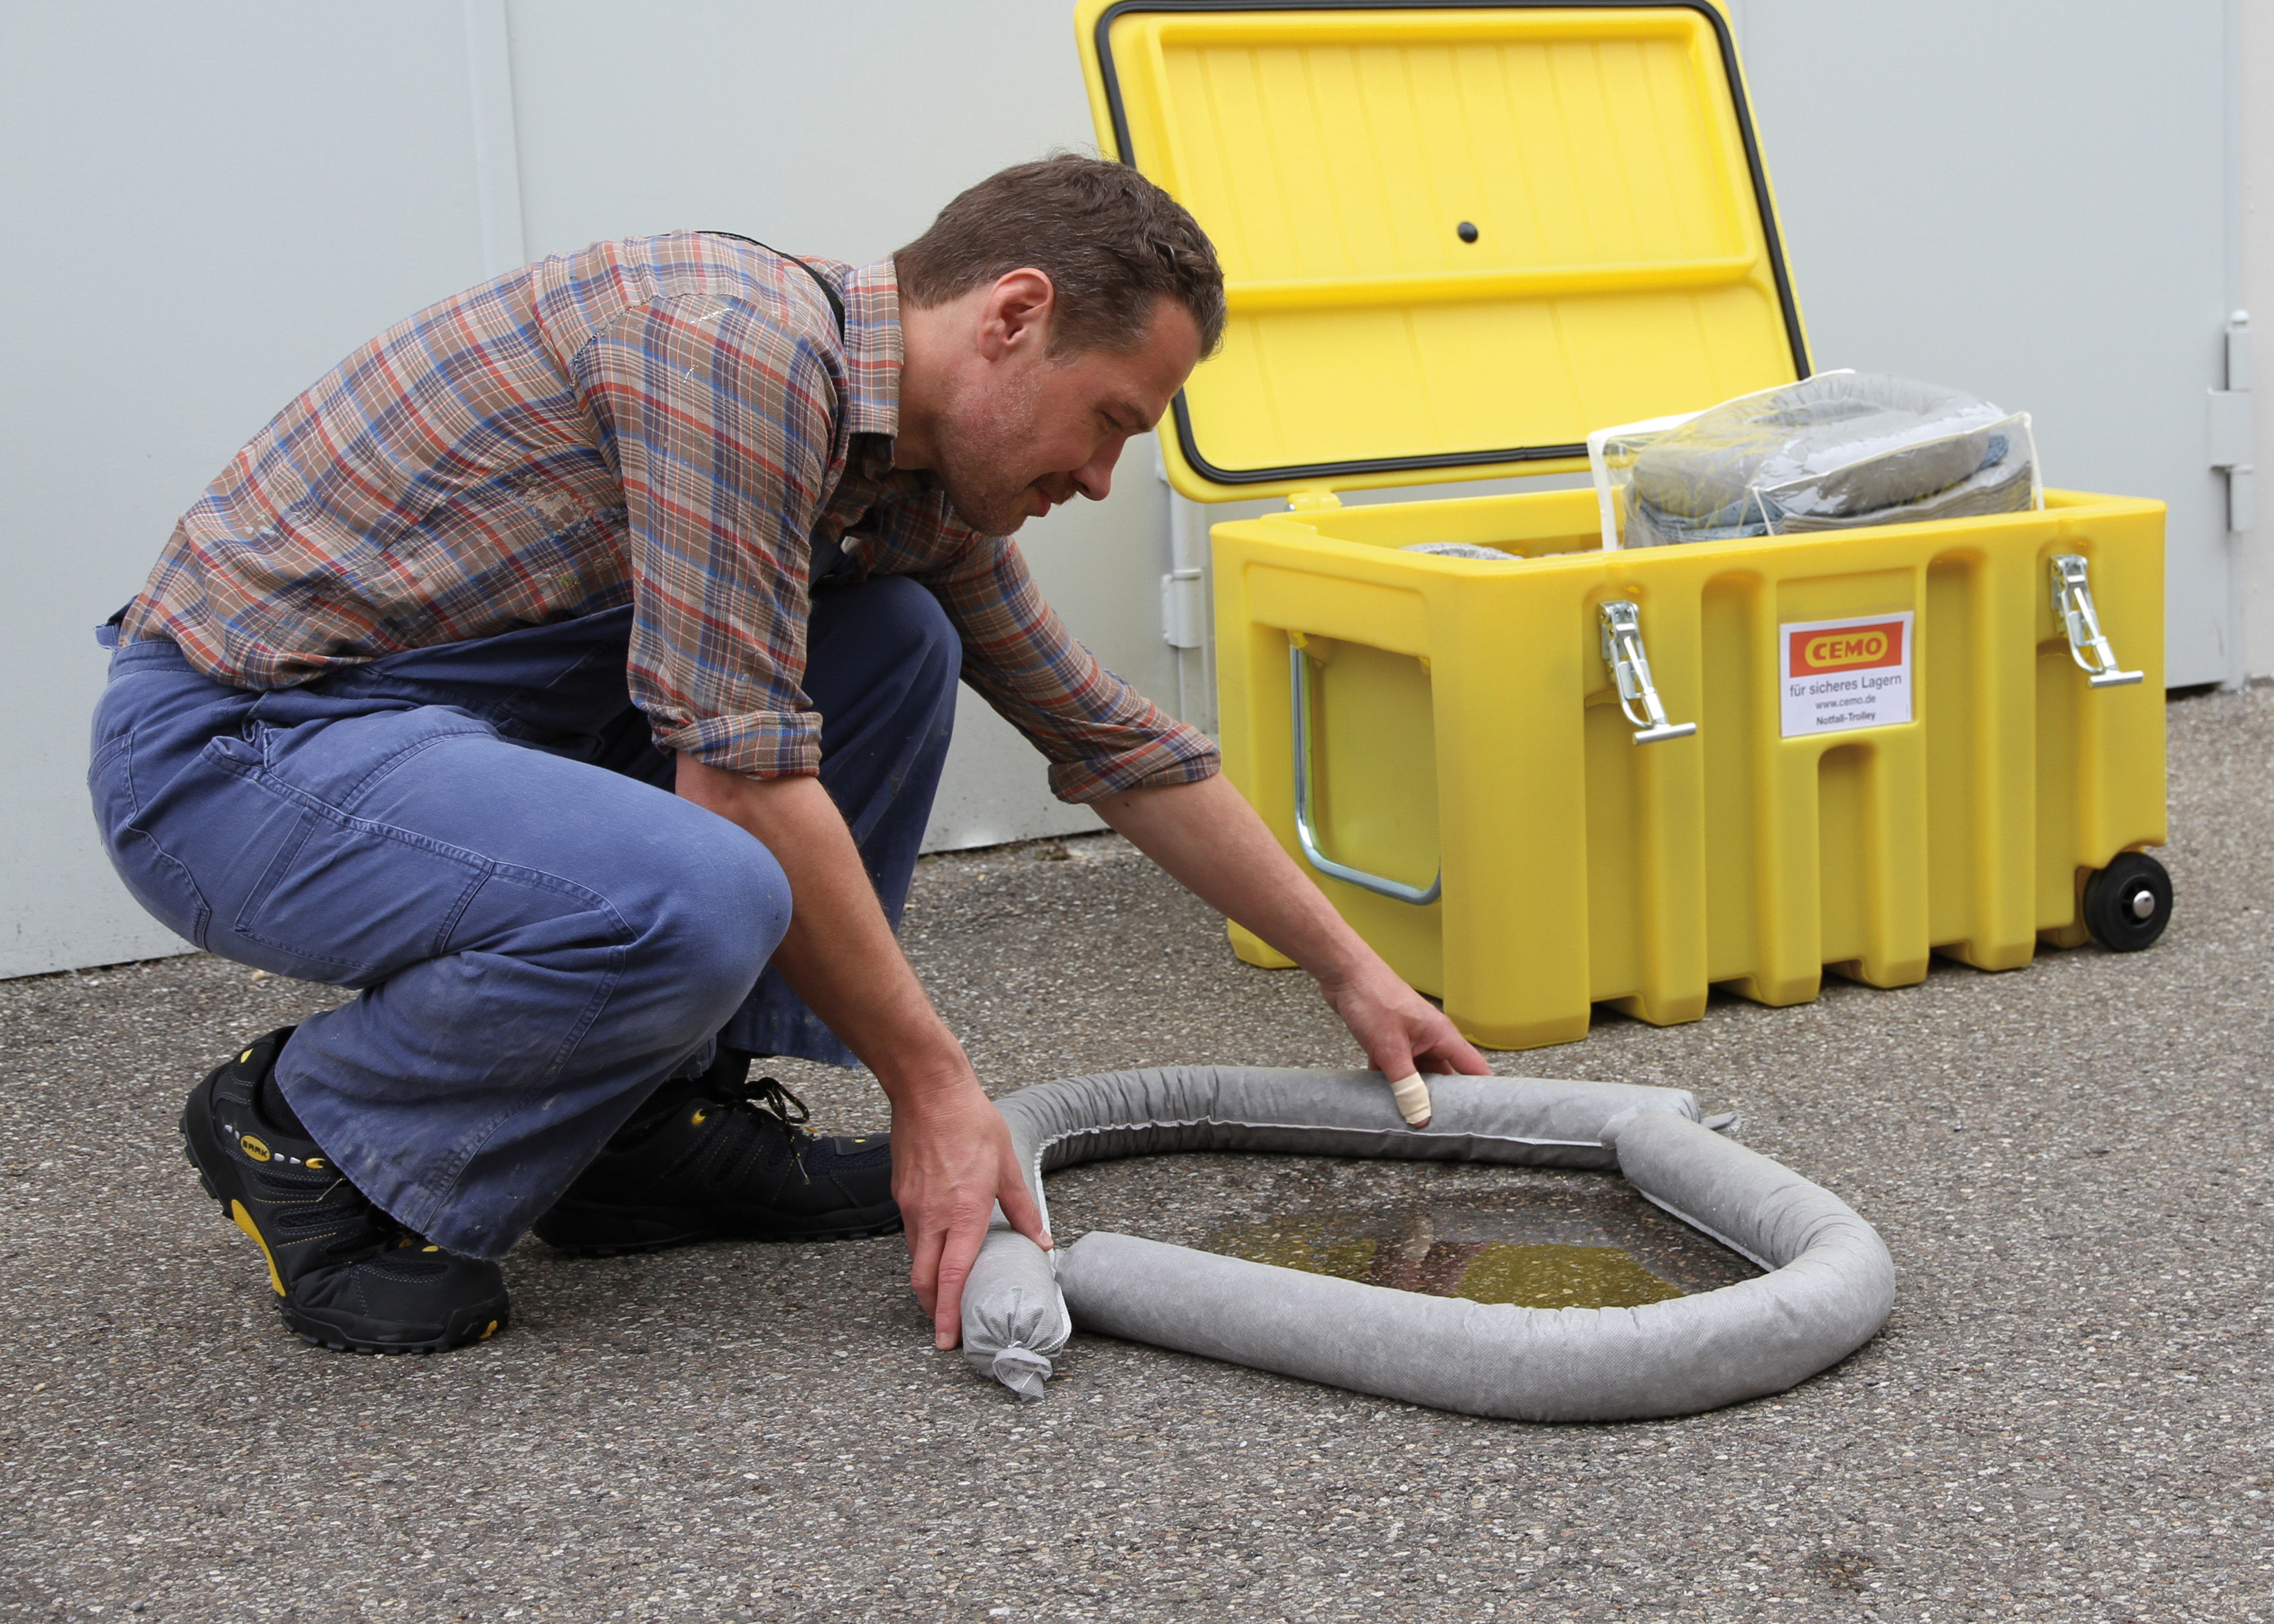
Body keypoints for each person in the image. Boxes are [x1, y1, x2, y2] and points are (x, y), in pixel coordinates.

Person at [90, 156, 1489, 1359]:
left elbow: (1112, 742)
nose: (1104, 478)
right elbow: (741, 779)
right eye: (1113, 420)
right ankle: (310, 1124)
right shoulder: (734, 352)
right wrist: (936, 1092)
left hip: (441, 736)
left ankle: (638, 1138)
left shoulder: (914, 478)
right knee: (700, 884)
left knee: (888, 638)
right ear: (1014, 316)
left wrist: (1350, 967)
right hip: (241, 749)